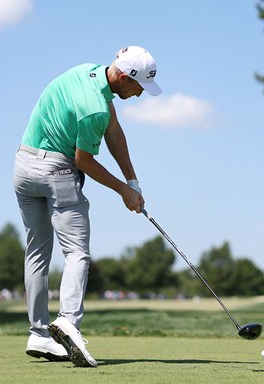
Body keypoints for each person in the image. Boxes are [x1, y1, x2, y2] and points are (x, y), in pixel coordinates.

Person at [13, 46, 161, 367]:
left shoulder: (89, 73)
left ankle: (39, 334)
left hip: (23, 167)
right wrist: (123, 190)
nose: (138, 95)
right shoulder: (94, 108)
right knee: (77, 252)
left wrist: (133, 180)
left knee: (37, 253)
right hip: (58, 169)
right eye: (137, 87)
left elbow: (114, 130)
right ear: (123, 77)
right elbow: (84, 161)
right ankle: (68, 321)